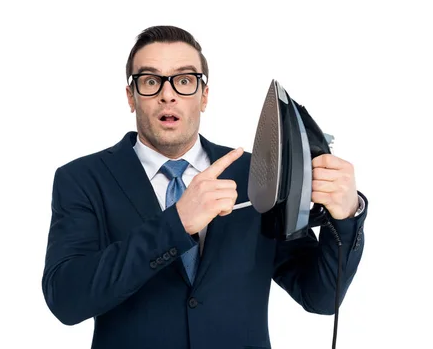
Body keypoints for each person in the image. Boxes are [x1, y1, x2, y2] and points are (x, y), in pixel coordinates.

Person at [41, 26, 368, 349]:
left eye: (184, 81)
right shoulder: (82, 178)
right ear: (131, 96)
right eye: (151, 81)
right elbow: (67, 299)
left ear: (204, 95)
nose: (167, 94)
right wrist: (177, 223)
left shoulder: (258, 174)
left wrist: (346, 215)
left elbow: (319, 296)